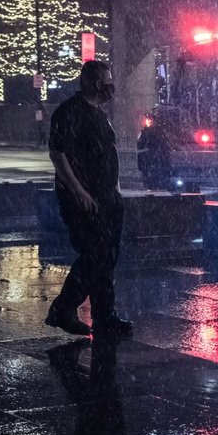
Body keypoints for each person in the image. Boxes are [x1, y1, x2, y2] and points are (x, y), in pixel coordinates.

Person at [45, 60, 132, 337]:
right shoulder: (69, 113)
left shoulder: (99, 114)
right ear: (94, 83)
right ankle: (63, 309)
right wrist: (79, 192)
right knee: (94, 256)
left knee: (107, 257)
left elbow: (107, 154)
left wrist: (114, 191)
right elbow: (58, 155)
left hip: (108, 199)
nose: (110, 87)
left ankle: (105, 317)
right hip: (83, 200)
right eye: (107, 81)